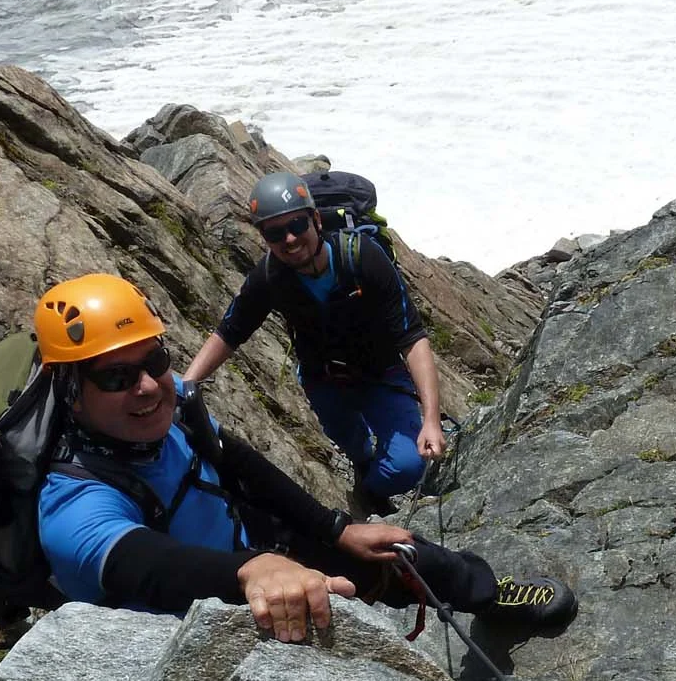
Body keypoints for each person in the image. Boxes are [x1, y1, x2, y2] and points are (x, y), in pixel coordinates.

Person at [30, 272, 574, 642]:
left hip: (250, 558)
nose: (149, 387)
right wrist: (254, 570)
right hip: (184, 625)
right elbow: (144, 564)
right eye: (117, 377)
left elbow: (238, 463)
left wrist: (337, 530)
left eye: (156, 360)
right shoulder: (72, 500)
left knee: (394, 549)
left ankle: (489, 592)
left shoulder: (165, 407)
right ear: (71, 388)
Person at [183, 171, 441, 516]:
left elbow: (412, 338)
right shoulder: (270, 277)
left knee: (407, 467)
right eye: (275, 232)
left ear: (315, 220)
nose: (289, 239)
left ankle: (368, 489)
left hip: (383, 376)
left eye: (297, 225)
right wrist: (186, 384)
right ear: (263, 237)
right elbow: (230, 331)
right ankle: (365, 465)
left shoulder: (361, 258)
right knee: (354, 445)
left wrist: (431, 420)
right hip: (325, 383)